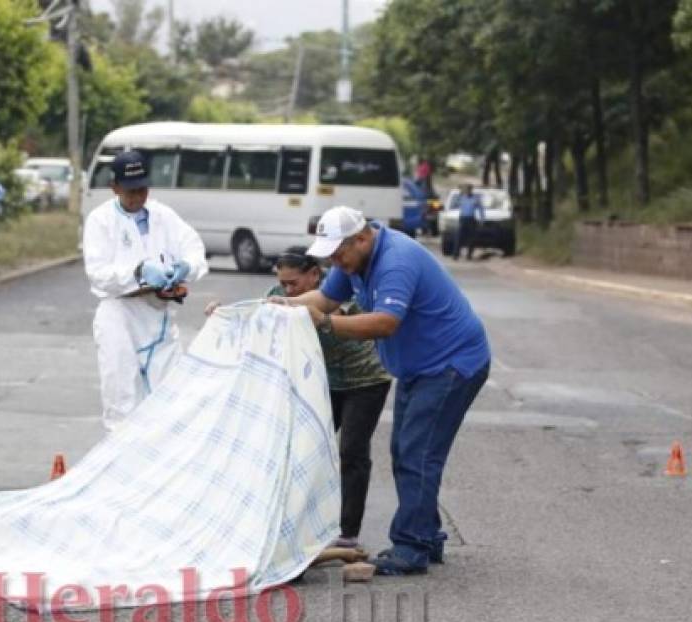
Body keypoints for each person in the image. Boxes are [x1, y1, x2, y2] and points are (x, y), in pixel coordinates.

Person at [276, 206, 491, 576]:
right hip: (419, 367)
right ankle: (425, 535)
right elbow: (323, 300)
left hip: (451, 365)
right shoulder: (353, 261)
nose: (336, 262)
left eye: (339, 252)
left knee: (416, 454)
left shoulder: (396, 261)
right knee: (407, 451)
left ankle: (410, 548)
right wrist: (278, 307)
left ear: (362, 238)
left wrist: (326, 324)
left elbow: (385, 323)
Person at [207, 247, 392, 549]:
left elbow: (350, 322)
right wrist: (223, 312)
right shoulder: (280, 294)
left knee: (352, 452)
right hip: (320, 381)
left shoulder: (340, 293)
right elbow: (257, 315)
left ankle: (348, 532)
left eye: (294, 284)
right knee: (303, 450)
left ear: (315, 275)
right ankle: (296, 524)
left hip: (365, 380)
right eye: (284, 283)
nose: (288, 290)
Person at [83, 150, 208, 431]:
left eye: (142, 189)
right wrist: (138, 272)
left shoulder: (163, 215)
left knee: (171, 400)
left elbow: (194, 248)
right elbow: (98, 274)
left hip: (158, 315)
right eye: (130, 191)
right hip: (120, 317)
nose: (138, 197)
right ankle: (123, 470)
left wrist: (186, 266)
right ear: (114, 187)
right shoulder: (100, 220)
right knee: (122, 401)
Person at [454, 184, 485, 261]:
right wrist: (460, 191)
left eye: (469, 189)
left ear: (471, 190)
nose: (467, 191)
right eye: (466, 190)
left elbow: (481, 209)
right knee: (459, 237)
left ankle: (469, 255)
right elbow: (456, 203)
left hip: (471, 219)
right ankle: (456, 254)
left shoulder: (475, 198)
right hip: (463, 218)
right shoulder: (462, 197)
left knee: (471, 238)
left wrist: (482, 219)